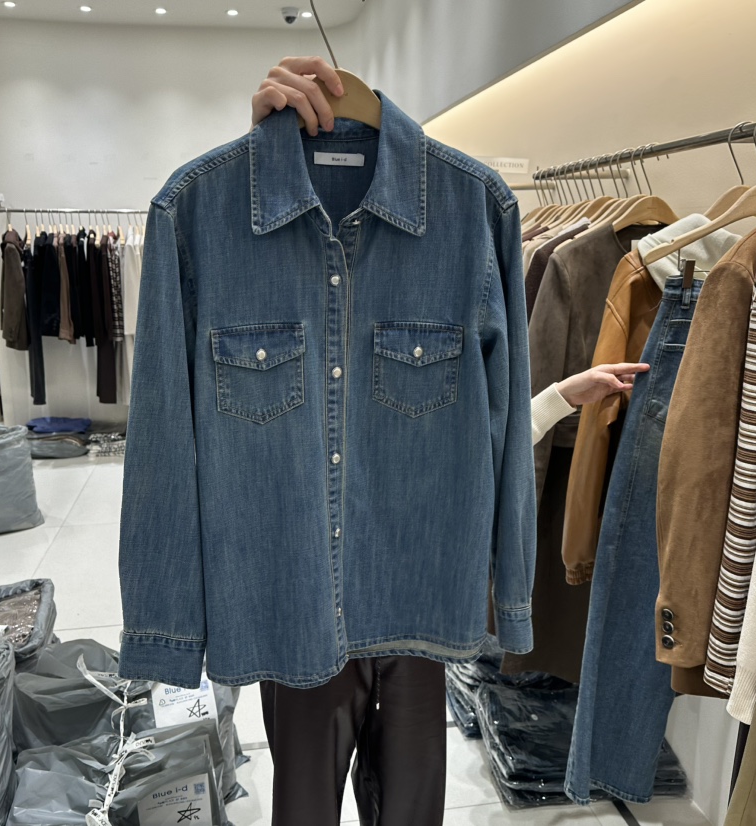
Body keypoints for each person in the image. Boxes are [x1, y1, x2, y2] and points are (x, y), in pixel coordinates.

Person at [251, 56, 650, 826]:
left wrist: (558, 398)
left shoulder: (459, 227)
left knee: (411, 804)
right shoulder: (264, 246)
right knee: (304, 804)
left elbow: (472, 432)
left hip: (415, 595)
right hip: (307, 601)